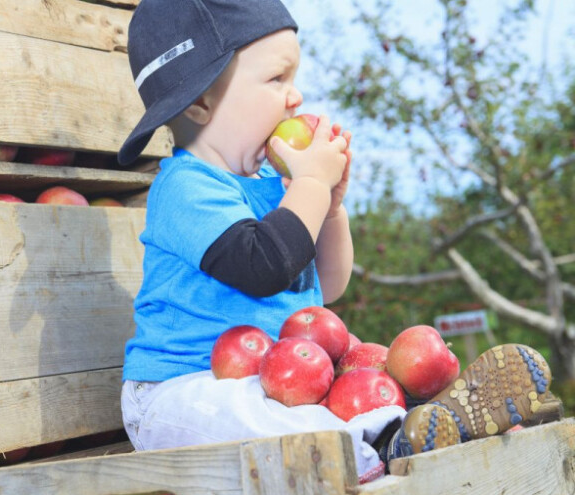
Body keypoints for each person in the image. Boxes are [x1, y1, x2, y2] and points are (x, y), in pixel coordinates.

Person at [115, 0, 553, 482]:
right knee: (255, 416)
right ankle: (388, 444)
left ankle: (425, 420)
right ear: (199, 101)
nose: (295, 97)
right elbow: (262, 267)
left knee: (365, 374)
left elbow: (328, 284)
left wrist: (331, 207)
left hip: (284, 383)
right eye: (276, 79)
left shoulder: (273, 187)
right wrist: (311, 188)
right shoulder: (186, 186)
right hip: (183, 391)